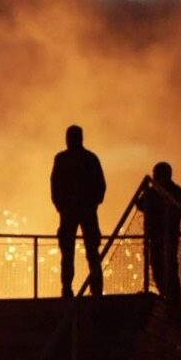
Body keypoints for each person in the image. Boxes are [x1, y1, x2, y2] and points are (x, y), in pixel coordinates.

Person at [50, 125, 106, 297]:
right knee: (91, 252)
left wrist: (61, 206)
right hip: (87, 211)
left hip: (70, 213)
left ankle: (67, 289)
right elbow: (101, 185)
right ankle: (96, 290)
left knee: (68, 254)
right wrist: (93, 203)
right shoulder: (90, 158)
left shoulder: (62, 158)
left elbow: (55, 185)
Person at [141, 162, 181, 310]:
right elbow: (140, 204)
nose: (155, 178)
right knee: (157, 266)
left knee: (170, 267)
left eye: (156, 175)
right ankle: (166, 297)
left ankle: (174, 302)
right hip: (156, 237)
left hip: (168, 236)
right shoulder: (154, 192)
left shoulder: (174, 192)